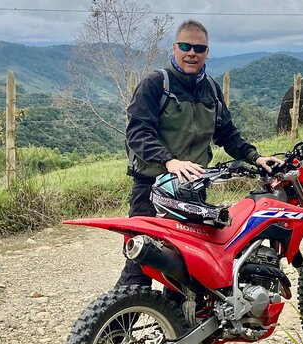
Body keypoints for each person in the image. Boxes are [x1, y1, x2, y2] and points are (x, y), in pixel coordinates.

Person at [117, 19, 280, 288]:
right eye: (185, 46)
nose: (192, 53)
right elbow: (137, 133)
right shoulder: (156, 84)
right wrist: (168, 160)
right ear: (174, 47)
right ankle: (115, 329)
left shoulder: (212, 90)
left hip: (192, 190)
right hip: (151, 189)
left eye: (199, 48)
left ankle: (179, 327)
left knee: (190, 271)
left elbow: (226, 133)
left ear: (207, 52)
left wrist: (255, 157)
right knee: (140, 269)